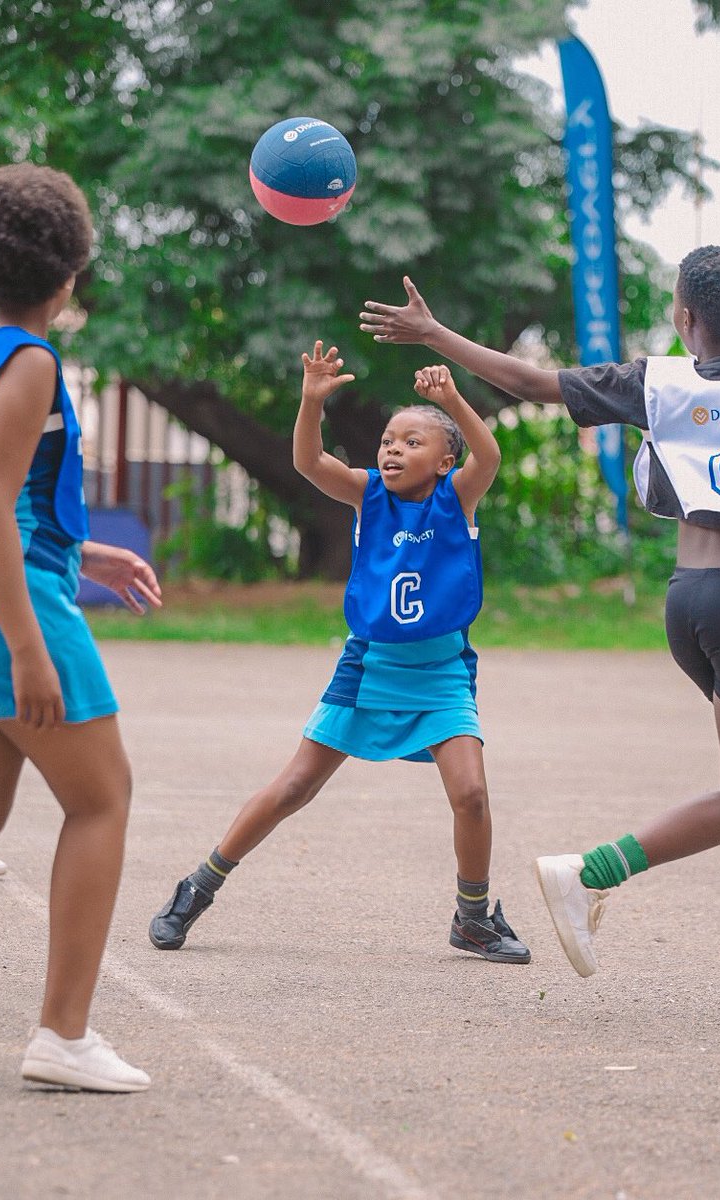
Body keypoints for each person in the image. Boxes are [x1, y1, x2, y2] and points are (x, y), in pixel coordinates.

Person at [359, 245, 720, 1018]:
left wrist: (434, 333)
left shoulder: (657, 380)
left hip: (687, 602)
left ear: (685, 315)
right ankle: (589, 871)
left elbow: (525, 380)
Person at [149, 352, 530, 965]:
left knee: (472, 796)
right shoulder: (366, 494)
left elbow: (491, 456)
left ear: (444, 461)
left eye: (412, 441)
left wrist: (455, 402)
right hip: (369, 665)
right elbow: (307, 461)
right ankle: (198, 886)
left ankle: (473, 918)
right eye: (387, 440)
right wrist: (312, 399)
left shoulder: (458, 498)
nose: (393, 450)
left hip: (440, 671)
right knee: (295, 785)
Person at [0, 163, 162, 1091]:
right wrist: (26, 645)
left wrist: (81, 554)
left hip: (16, 576)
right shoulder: (29, 360)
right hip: (8, 607)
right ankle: (63, 1034)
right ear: (71, 272)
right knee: (102, 797)